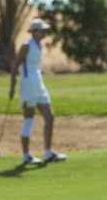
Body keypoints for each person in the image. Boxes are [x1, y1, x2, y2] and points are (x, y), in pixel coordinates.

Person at [9, 18, 67, 165]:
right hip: (28, 84)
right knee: (29, 119)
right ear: (34, 31)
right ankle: (26, 155)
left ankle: (48, 152)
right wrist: (12, 86)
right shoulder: (26, 46)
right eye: (42, 30)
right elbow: (16, 65)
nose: (45, 33)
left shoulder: (40, 45)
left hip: (38, 83)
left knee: (50, 117)